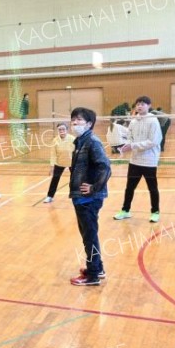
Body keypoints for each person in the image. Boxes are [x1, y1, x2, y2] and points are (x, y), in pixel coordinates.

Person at [68, 107, 111, 286]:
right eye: (73, 120)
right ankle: (97, 268)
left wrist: (93, 188)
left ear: (89, 123)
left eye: (79, 120)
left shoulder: (92, 141)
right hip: (80, 197)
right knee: (89, 235)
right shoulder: (80, 141)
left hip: (89, 199)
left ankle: (92, 275)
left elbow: (105, 167)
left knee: (89, 236)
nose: (75, 123)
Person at [114, 96, 162, 223]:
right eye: (138, 104)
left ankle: (155, 212)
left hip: (149, 161)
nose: (139, 106)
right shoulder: (133, 121)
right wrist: (125, 146)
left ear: (149, 105)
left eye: (142, 104)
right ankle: (125, 210)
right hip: (134, 161)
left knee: (152, 188)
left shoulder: (153, 121)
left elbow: (153, 141)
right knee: (129, 188)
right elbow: (130, 138)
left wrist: (133, 145)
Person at [43, 123, 75, 203]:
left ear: (67, 130)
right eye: (60, 129)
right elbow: (53, 154)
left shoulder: (73, 139)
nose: (61, 131)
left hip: (72, 162)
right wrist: (51, 167)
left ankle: (74, 195)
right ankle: (50, 196)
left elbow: (77, 152)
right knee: (55, 179)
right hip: (59, 163)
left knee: (74, 180)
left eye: (63, 129)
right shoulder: (55, 140)